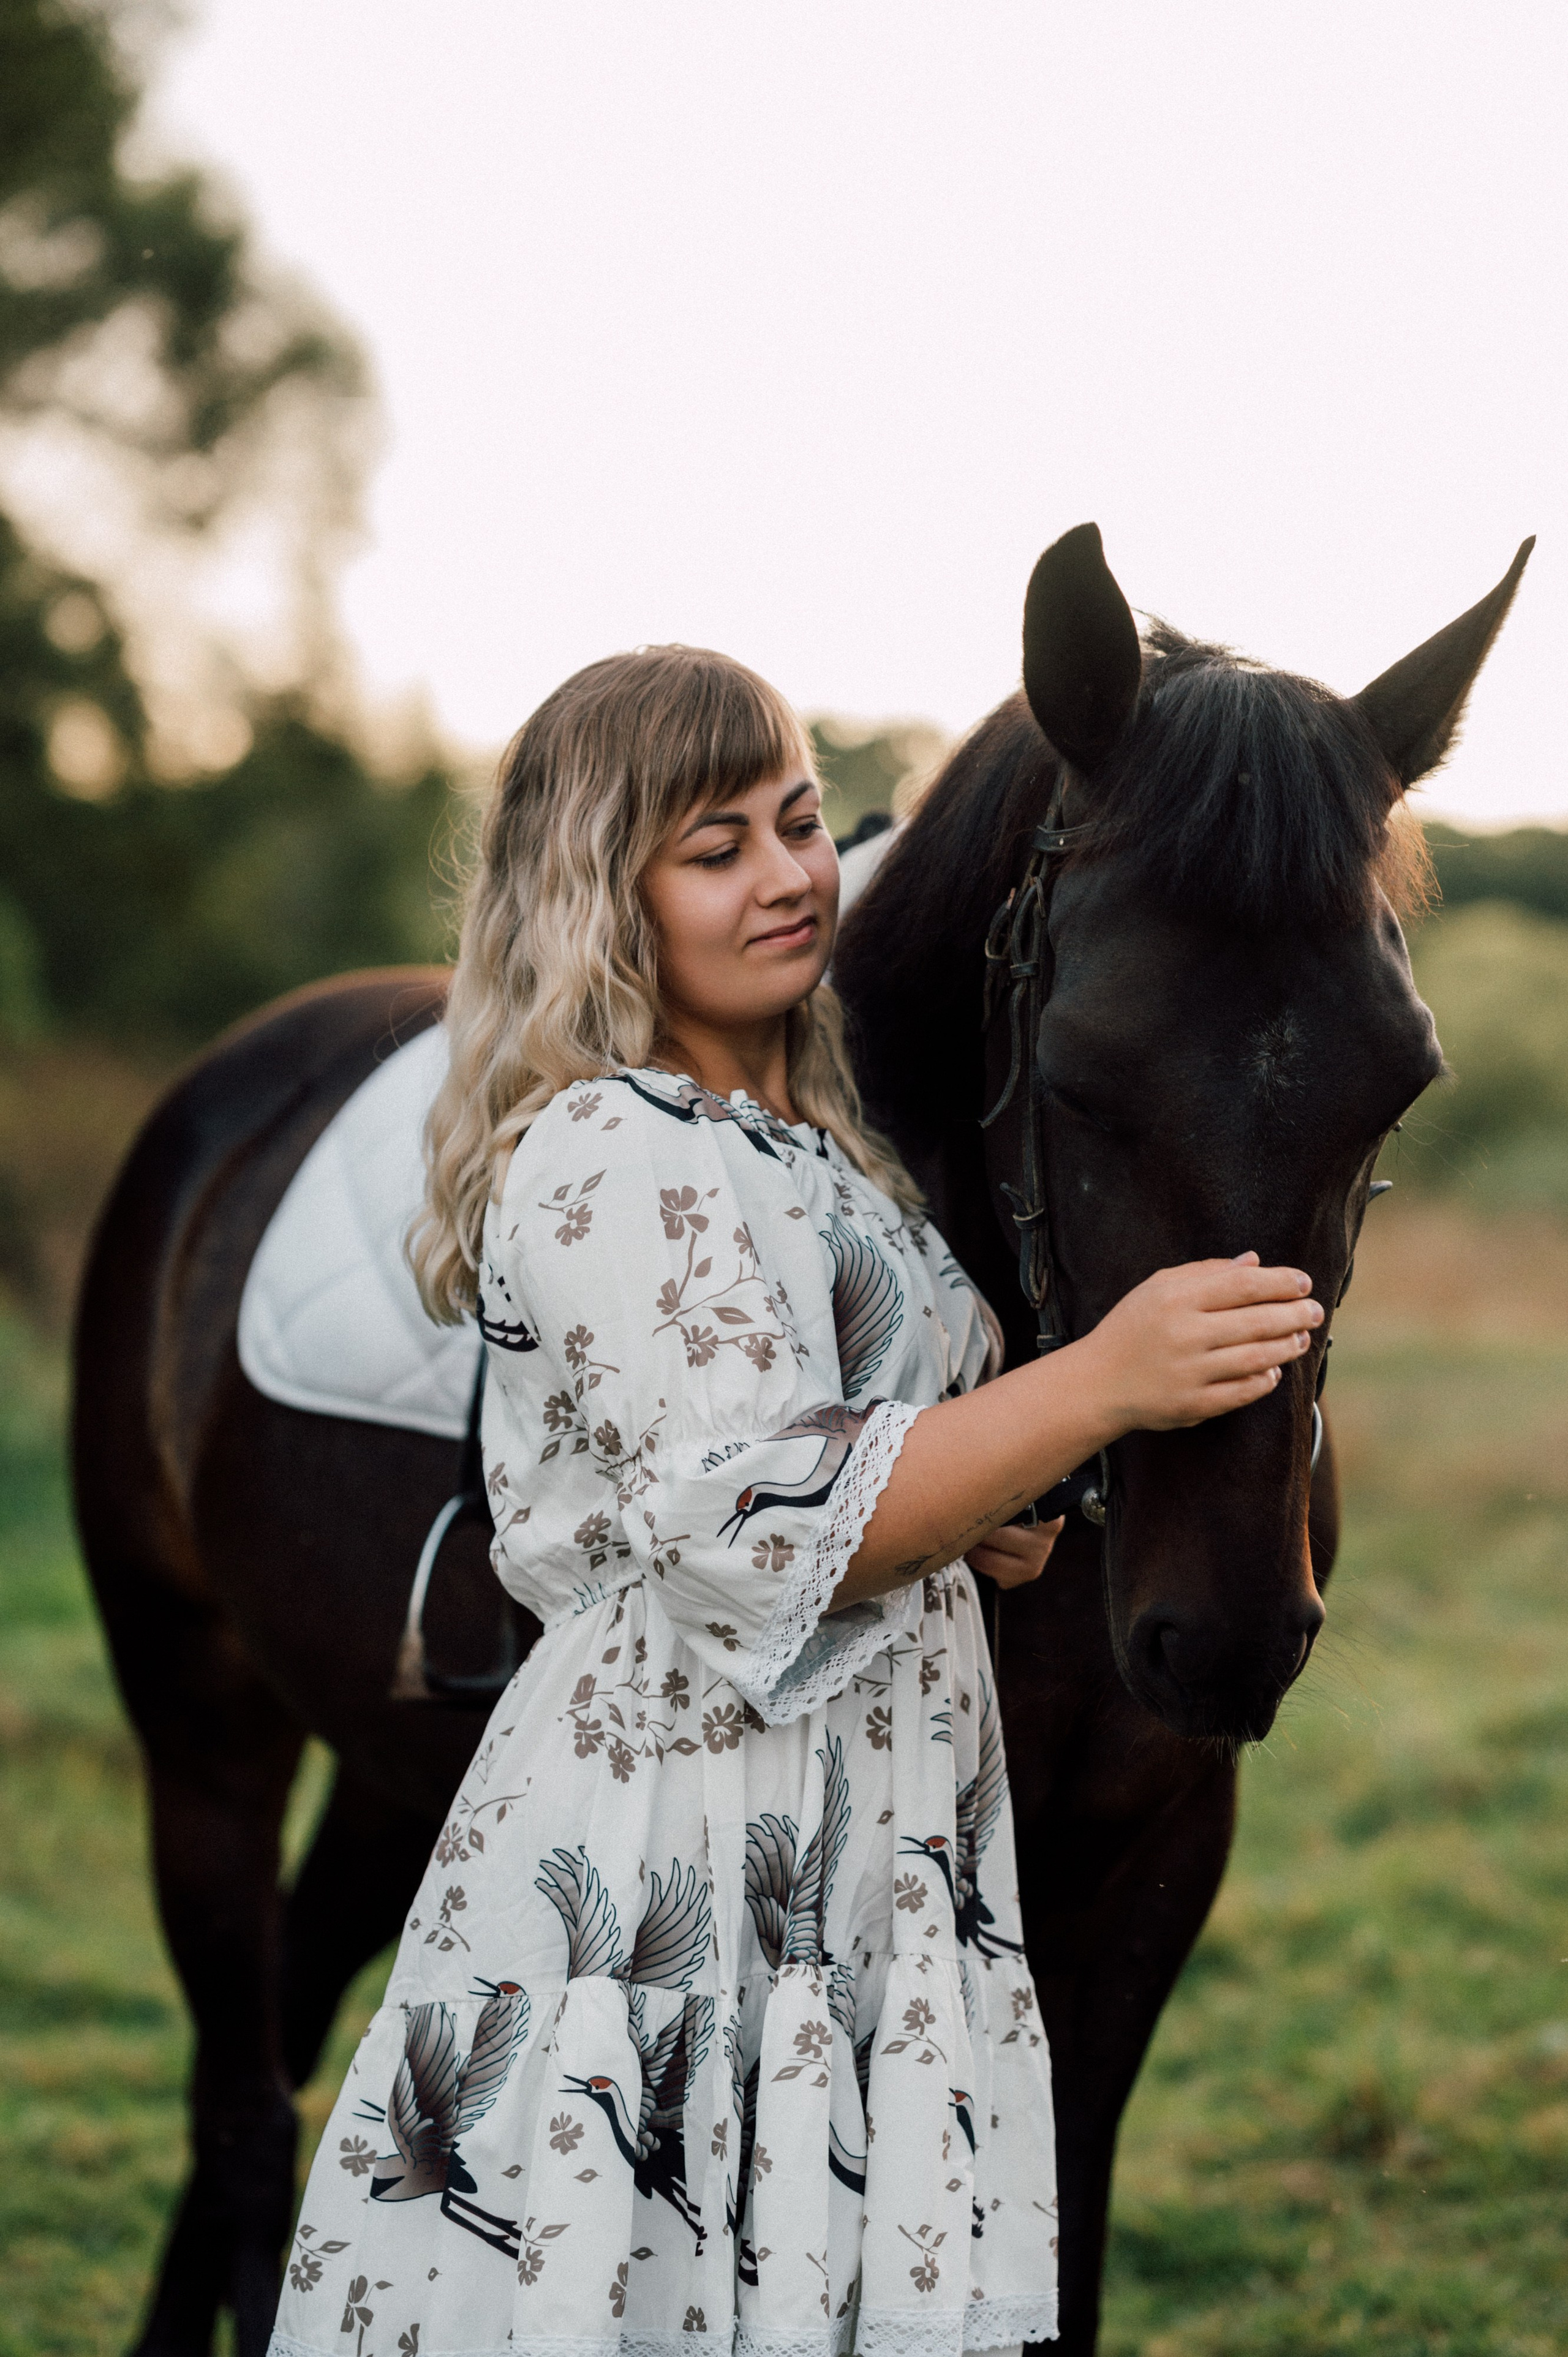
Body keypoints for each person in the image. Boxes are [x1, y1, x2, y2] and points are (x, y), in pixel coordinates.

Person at [268, 647, 1322, 2357]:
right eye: (715, 846)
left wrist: (973, 1496)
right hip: (685, 1827)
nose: (788, 874)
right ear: (604, 894)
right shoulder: (608, 1146)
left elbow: (845, 1449)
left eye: (802, 820)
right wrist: (1106, 1379)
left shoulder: (825, 1155)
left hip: (877, 1833)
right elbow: (759, 1526)